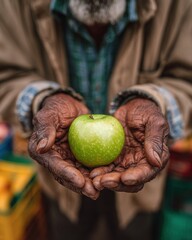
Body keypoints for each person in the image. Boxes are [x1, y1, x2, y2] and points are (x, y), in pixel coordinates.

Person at [0, 0, 192, 239]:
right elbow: (7, 74)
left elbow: (186, 79)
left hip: (138, 180)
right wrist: (42, 100)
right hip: (60, 177)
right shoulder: (13, 5)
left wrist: (156, 102)